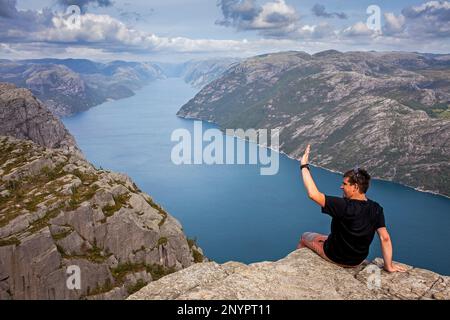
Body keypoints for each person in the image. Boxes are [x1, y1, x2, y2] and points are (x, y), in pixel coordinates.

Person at [298, 144, 407, 273]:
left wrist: (304, 166)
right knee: (327, 237)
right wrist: (388, 266)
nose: (341, 187)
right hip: (357, 260)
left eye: (344, 184)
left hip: (335, 256)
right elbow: (385, 238)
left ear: (355, 187)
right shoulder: (376, 208)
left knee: (304, 237)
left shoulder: (344, 205)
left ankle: (300, 271)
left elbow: (313, 194)